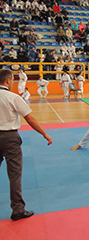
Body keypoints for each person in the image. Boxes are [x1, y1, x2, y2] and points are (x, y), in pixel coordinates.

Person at [0, 69, 52, 221]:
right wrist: (44, 133)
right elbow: (29, 119)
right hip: (9, 137)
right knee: (14, 174)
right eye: (13, 81)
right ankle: (17, 209)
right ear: (8, 81)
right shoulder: (12, 97)